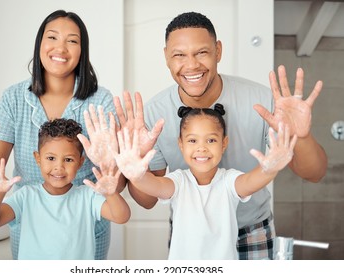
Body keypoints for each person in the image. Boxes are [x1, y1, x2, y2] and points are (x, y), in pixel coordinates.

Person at [114, 12, 327, 260]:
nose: (191, 65)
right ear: (166, 57)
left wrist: (300, 135)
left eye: (201, 52)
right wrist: (136, 160)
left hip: (252, 231)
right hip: (190, 235)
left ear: (218, 51)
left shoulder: (262, 101)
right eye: (179, 55)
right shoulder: (151, 114)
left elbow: (315, 174)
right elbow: (149, 200)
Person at [0, 10, 121, 260]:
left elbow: (116, 186)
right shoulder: (14, 99)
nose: (61, 47)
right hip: (30, 234)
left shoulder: (101, 102)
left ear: (82, 50)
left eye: (72, 40)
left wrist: (111, 162)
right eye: (53, 37)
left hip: (85, 235)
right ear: (40, 45)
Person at [115, 105, 296, 259]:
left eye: (211, 140)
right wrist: (136, 175)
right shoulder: (179, 181)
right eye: (192, 140)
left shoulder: (229, 181)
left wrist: (270, 169)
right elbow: (155, 185)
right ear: (181, 144)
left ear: (224, 144)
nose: (201, 148)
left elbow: (250, 182)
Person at [0, 118, 130, 260]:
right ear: (38, 158)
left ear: (80, 162)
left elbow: (121, 217)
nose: (59, 167)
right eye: (51, 158)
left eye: (68, 159)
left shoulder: (88, 196)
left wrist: (111, 193)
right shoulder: (26, 196)